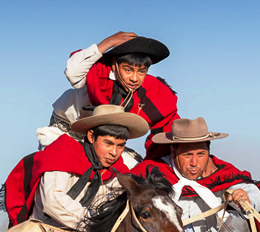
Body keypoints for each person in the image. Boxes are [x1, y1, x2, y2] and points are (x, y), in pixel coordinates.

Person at [0, 104, 149, 229]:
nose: (114, 152)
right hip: (42, 231)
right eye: (108, 143)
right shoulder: (63, 154)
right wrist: (94, 222)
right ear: (91, 137)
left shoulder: (120, 174)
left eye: (121, 146)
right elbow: (52, 201)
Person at [38, 32, 179, 162]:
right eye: (128, 70)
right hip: (65, 133)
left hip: (106, 144)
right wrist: (109, 42)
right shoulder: (98, 70)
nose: (135, 78)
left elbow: (168, 123)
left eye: (141, 71)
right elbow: (72, 72)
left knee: (136, 170)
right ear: (114, 65)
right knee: (56, 163)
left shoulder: (152, 90)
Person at [131, 117, 260, 232]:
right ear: (173, 152)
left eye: (200, 154)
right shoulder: (152, 172)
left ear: (208, 151)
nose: (194, 163)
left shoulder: (219, 173)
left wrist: (247, 200)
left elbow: (250, 190)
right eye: (187, 155)